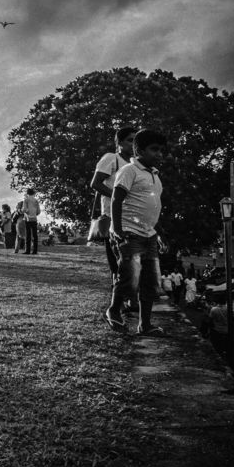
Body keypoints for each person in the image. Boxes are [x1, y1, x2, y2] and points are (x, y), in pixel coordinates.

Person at [104, 129, 169, 336]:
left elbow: (152, 209)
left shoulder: (155, 176)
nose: (158, 154)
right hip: (129, 232)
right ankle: (113, 311)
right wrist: (119, 230)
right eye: (154, 149)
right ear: (139, 150)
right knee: (129, 277)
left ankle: (145, 325)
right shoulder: (130, 170)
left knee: (150, 281)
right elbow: (116, 199)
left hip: (149, 235)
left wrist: (160, 234)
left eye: (161, 150)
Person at [90, 127, 137, 285]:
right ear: (119, 143)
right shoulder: (111, 158)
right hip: (113, 216)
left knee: (132, 260)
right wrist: (118, 197)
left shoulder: (135, 164)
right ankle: (120, 301)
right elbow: (95, 184)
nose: (134, 144)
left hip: (132, 217)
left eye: (136, 141)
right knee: (119, 261)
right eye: (130, 140)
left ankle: (129, 298)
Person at [22, 188, 40, 254]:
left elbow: (24, 209)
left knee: (28, 235)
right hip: (34, 218)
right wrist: (35, 214)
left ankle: (27, 250)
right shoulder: (36, 200)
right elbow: (38, 211)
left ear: (27, 193)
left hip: (28, 218)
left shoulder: (26, 200)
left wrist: (26, 212)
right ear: (33, 193)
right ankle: (35, 250)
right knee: (35, 235)